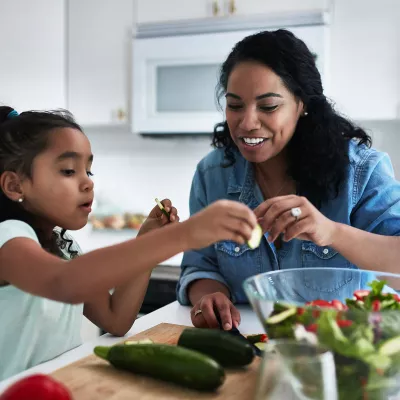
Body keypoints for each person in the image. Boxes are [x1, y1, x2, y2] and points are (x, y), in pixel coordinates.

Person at [0, 106, 258, 380]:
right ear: (15, 186)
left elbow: (115, 319)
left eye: (89, 171)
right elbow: (62, 282)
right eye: (67, 171)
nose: (87, 183)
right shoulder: (8, 238)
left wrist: (149, 239)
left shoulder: (64, 246)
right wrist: (182, 235)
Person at [176, 29, 400, 331]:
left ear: (302, 104)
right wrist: (211, 295)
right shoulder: (211, 176)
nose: (247, 123)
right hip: (247, 348)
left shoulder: (362, 171)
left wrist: (331, 232)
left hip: (344, 352)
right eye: (235, 105)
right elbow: (200, 265)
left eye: (268, 107)